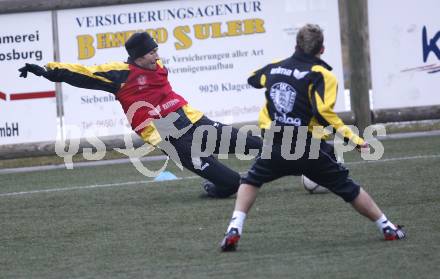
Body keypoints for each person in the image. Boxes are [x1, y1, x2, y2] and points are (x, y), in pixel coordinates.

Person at [220, 24, 406, 251]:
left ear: (296, 45)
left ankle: (234, 228)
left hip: (278, 143)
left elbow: (252, 79)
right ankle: (387, 227)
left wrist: (282, 69)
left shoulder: (276, 68)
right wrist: (354, 140)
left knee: (250, 180)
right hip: (308, 147)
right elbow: (322, 112)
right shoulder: (322, 75)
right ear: (322, 49)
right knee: (348, 188)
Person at [18, 32, 262, 199]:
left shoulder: (158, 66)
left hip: (191, 118)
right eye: (151, 53)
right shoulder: (120, 75)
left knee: (257, 145)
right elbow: (82, 74)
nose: (157, 57)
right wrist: (46, 72)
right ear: (138, 57)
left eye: (157, 51)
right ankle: (215, 186)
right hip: (166, 135)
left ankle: (301, 164)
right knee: (233, 184)